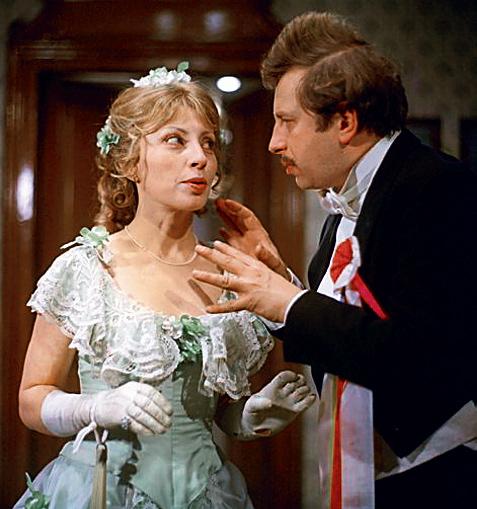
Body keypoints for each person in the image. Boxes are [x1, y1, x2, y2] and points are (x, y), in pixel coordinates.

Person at [192, 11, 477, 509]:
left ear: (344, 122)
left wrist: (288, 303)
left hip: (445, 475)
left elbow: (418, 355)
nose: (274, 142)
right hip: (375, 472)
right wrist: (277, 281)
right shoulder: (342, 204)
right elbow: (347, 334)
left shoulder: (439, 190)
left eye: (287, 121)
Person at [14, 63, 315, 509]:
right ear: (130, 161)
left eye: (208, 143)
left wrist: (248, 417)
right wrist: (94, 408)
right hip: (103, 490)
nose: (199, 157)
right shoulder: (87, 269)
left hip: (204, 492)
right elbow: (31, 399)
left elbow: (211, 411)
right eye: (175, 140)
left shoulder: (227, 274)